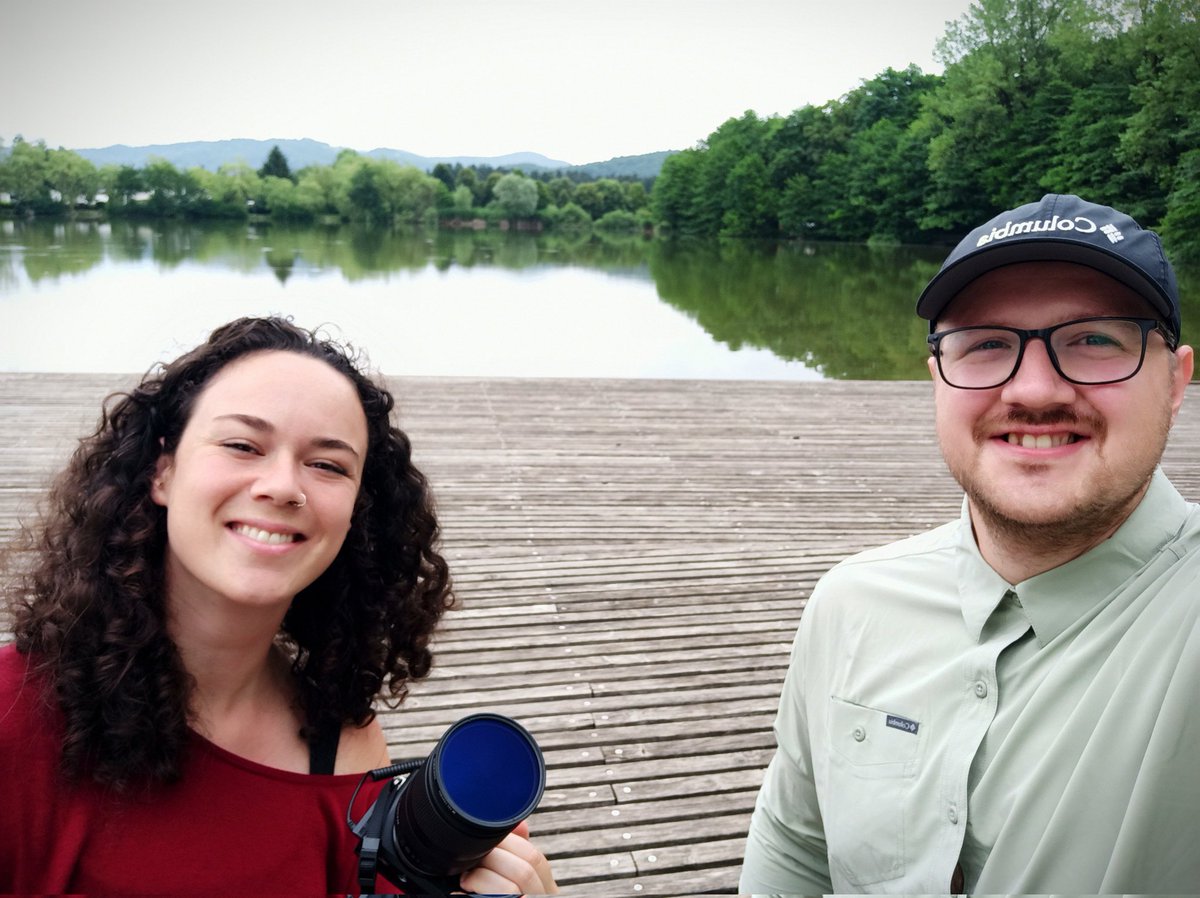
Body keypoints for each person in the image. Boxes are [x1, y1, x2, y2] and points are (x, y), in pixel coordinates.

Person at [0, 316, 558, 895]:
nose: (283, 486)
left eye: (327, 465)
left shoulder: (340, 739)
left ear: (355, 511)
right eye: (243, 445)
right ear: (162, 471)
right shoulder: (11, 716)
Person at [739, 194, 1199, 894]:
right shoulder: (851, 603)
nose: (1035, 389)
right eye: (986, 343)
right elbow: (797, 848)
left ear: (1175, 380)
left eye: (1096, 339)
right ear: (937, 382)